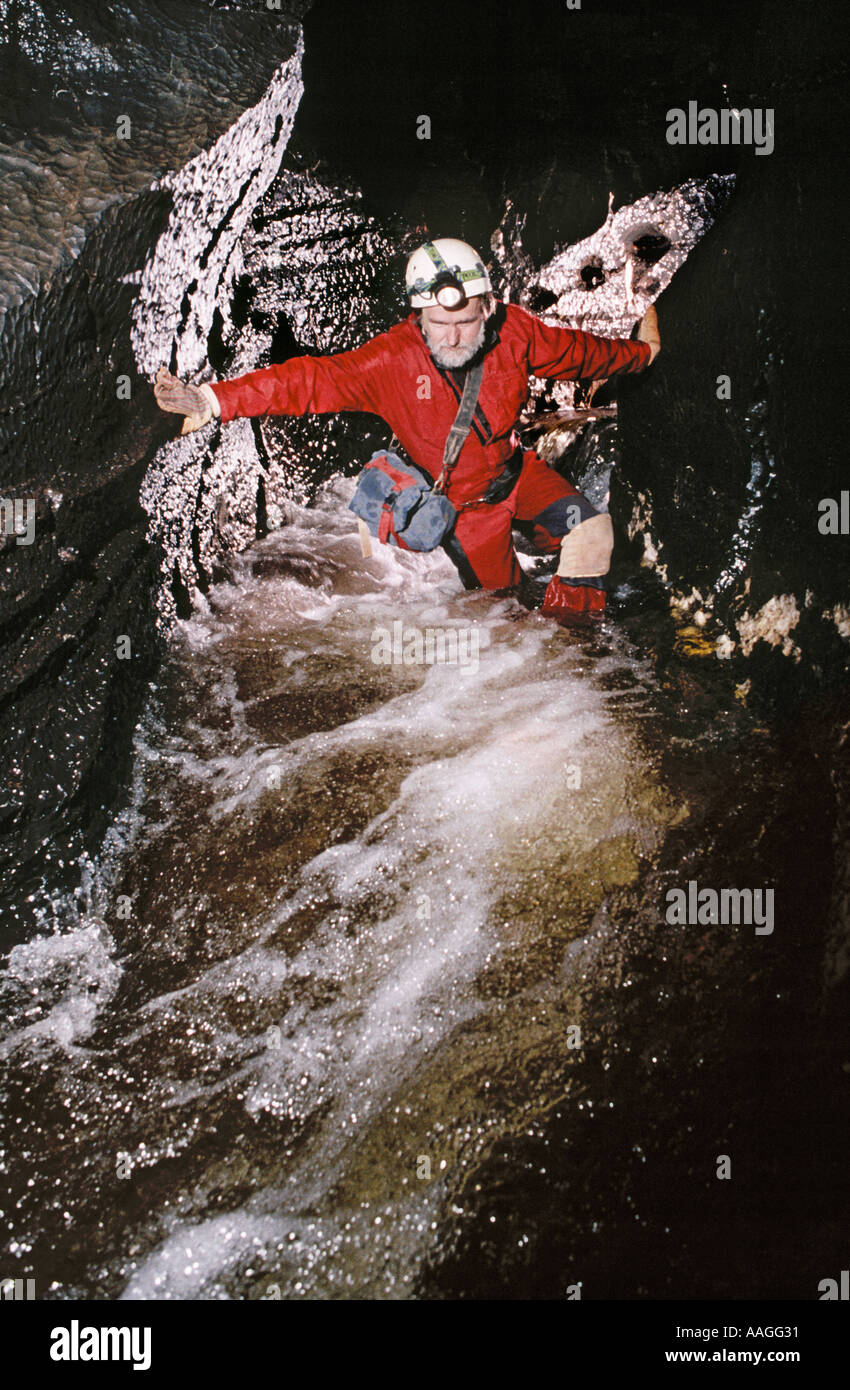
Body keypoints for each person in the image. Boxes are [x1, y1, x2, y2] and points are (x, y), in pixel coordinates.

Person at [154, 237, 660, 623]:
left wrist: (643, 356)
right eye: (439, 323)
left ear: (487, 306)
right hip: (464, 513)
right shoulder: (393, 360)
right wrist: (213, 400)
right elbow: (307, 381)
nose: (454, 335)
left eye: (465, 319)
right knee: (505, 612)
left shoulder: (514, 331)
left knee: (591, 532)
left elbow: (580, 354)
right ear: (418, 316)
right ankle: (540, 654)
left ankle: (575, 642)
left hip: (519, 477)